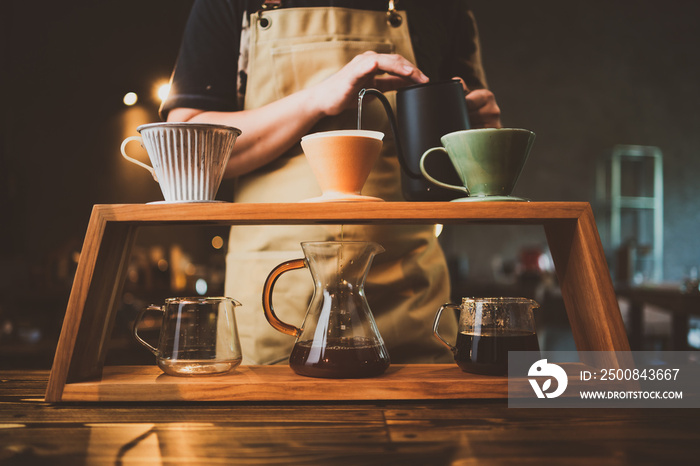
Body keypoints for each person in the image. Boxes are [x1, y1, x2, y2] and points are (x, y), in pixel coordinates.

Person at [160, 0, 502, 365]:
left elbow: (458, 168)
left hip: (407, 291)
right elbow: (186, 153)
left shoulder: (445, 9)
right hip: (278, 292)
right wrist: (317, 99)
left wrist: (478, 139)